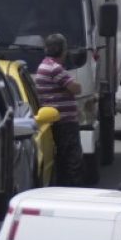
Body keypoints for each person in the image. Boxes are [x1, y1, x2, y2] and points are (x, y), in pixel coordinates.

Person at [34, 32, 84, 187]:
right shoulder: (54, 68)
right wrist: (68, 89)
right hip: (64, 123)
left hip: (60, 121)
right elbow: (76, 88)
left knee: (63, 160)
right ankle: (72, 190)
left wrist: (65, 90)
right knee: (72, 161)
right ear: (62, 49)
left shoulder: (46, 65)